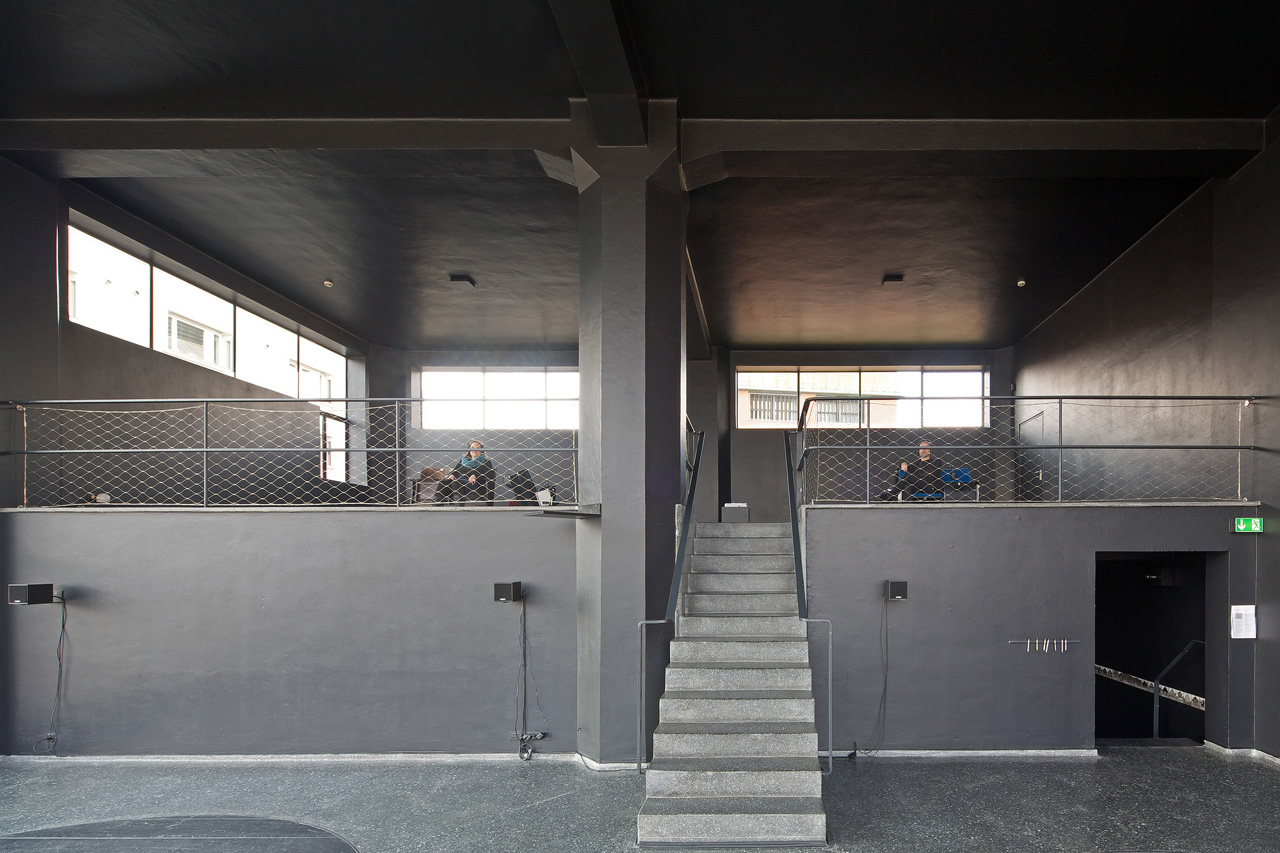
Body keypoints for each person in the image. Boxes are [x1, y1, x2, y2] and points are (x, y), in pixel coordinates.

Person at [437, 440, 495, 506]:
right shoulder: (463, 461)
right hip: (459, 482)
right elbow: (455, 471)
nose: (474, 450)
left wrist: (475, 476)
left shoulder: (486, 462)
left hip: (475, 485)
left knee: (456, 482)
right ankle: (436, 505)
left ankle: (459, 505)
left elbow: (490, 474)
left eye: (477, 448)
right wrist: (452, 475)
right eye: (472, 448)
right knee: (444, 482)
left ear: (481, 450)